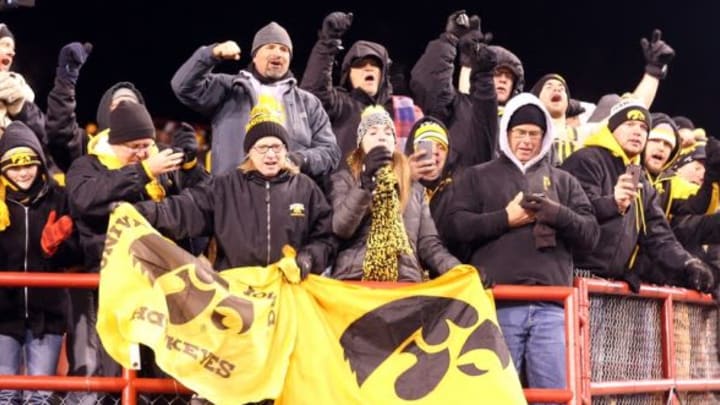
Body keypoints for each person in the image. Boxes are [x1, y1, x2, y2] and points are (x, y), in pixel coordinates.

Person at [445, 93, 598, 391]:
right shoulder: (477, 176)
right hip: (497, 305)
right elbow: (453, 227)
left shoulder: (564, 181)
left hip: (552, 307)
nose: (527, 140)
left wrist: (558, 214)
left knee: (553, 395)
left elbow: (591, 236)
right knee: (496, 395)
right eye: (520, 133)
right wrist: (504, 218)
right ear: (506, 133)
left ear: (545, 137)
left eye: (534, 134)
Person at [65, 101, 208, 403]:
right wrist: (142, 172)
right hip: (110, 287)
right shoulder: (88, 165)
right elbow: (86, 200)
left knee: (161, 377)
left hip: (160, 286)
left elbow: (200, 206)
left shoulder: (161, 167)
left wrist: (191, 168)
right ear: (115, 143)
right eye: (135, 146)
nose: (144, 152)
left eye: (147, 145)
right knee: (115, 374)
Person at [134, 99, 335, 277]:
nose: (271, 155)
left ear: (286, 149)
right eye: (262, 148)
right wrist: (139, 212)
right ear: (249, 152)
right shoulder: (224, 187)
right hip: (238, 298)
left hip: (288, 292)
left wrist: (310, 257)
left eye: (277, 147)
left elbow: (324, 238)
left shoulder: (305, 188)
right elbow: (183, 210)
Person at [561, 98, 715, 293]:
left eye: (643, 128)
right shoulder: (587, 159)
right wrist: (612, 203)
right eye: (629, 124)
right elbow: (572, 216)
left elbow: (659, 235)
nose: (637, 132)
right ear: (612, 128)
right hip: (574, 278)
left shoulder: (640, 179)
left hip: (612, 284)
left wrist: (688, 264)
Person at [171, 21, 340, 177]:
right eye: (270, 47)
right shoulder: (230, 88)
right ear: (254, 55)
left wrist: (298, 160)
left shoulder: (308, 103)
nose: (277, 53)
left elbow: (330, 152)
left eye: (283, 49)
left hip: (289, 197)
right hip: (233, 194)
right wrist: (211, 54)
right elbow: (183, 87)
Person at [329, 105, 460, 282]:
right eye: (373, 132)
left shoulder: (414, 187)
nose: (381, 136)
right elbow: (341, 227)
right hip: (355, 279)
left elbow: (429, 245)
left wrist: (460, 271)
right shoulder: (345, 180)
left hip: (403, 282)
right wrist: (365, 184)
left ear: (394, 142)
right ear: (360, 144)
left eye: (388, 132)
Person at [0, 121, 78, 404]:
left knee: (39, 396)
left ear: (40, 164)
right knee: (5, 393)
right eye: (13, 166)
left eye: (29, 164)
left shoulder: (59, 197)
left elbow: (77, 255)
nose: (22, 172)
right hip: (3, 312)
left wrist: (56, 248)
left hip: (48, 313)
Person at [531, 29, 676, 166]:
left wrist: (653, 72)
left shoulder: (582, 134)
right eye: (548, 86)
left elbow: (632, 109)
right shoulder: (520, 130)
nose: (557, 88)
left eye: (562, 88)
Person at [301, 12, 398, 160]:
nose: (368, 68)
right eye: (360, 65)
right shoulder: (339, 105)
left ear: (383, 74)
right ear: (348, 76)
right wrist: (328, 42)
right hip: (344, 182)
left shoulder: (399, 109)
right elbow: (313, 93)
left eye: (375, 64)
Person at [410, 10, 499, 169]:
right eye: (497, 73)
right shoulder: (459, 107)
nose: (502, 80)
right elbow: (429, 88)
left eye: (507, 75)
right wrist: (448, 41)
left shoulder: (521, 123)